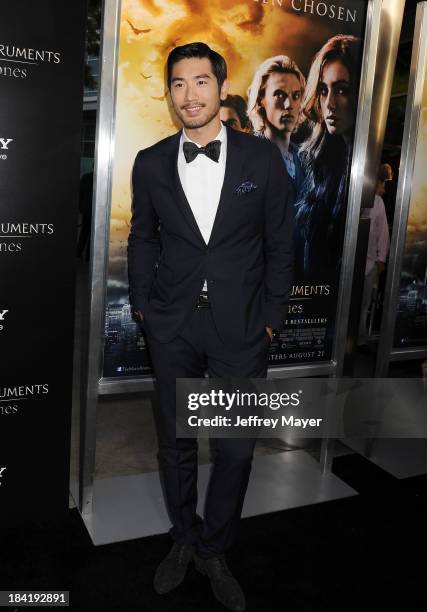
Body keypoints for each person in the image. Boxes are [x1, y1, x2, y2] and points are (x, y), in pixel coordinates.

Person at [127, 42, 293, 612]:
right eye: (178, 84)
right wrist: (146, 310)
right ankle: (183, 538)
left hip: (241, 330)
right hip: (172, 326)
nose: (189, 94)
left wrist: (271, 320)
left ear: (222, 89)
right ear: (169, 93)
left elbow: (280, 244)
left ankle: (215, 547)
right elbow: (143, 237)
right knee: (175, 444)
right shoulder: (150, 163)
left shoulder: (262, 159)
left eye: (201, 82)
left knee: (236, 450)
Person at [295, 35, 361, 282]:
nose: (330, 104)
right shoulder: (320, 161)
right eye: (323, 90)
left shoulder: (367, 166)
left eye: (342, 90)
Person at [247, 55, 306, 199]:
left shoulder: (305, 159)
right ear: (261, 100)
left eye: (296, 96)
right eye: (279, 95)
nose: (288, 105)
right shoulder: (247, 157)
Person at [357, 166, 390, 348]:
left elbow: (383, 233)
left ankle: (360, 339)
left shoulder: (378, 202)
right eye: (382, 183)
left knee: (364, 304)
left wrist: (381, 259)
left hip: (369, 264)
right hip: (351, 263)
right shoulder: (356, 196)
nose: (383, 189)